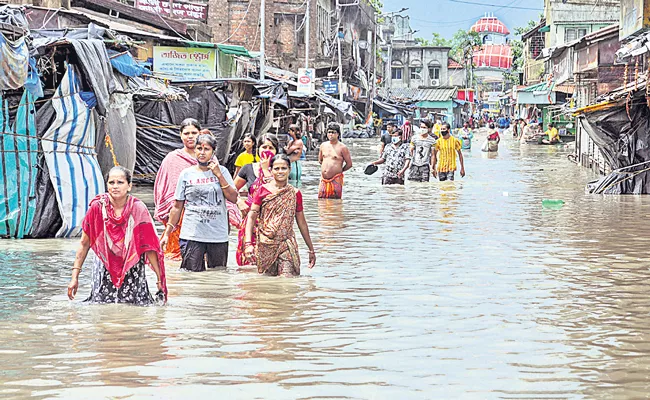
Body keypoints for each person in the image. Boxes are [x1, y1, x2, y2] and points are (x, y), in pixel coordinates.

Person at [67, 166, 167, 305]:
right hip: (104, 267)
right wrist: (74, 277)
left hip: (132, 269)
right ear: (106, 186)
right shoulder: (97, 208)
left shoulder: (138, 209)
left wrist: (159, 279)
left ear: (129, 186)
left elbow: (149, 247)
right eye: (111, 182)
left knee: (134, 310)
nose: (115, 186)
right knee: (102, 309)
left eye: (120, 182)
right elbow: (84, 244)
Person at [160, 134, 239, 272]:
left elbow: (233, 198)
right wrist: (167, 233)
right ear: (194, 150)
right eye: (199, 148)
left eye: (206, 149)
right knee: (191, 276)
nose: (202, 152)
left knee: (218, 275)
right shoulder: (186, 174)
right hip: (192, 235)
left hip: (217, 235)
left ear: (213, 152)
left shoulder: (223, 172)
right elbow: (177, 207)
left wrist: (218, 175)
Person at [243, 154, 316, 276]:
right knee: (268, 282)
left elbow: (301, 222)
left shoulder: (295, 193)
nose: (280, 172)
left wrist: (311, 249)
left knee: (286, 280)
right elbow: (251, 217)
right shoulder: (262, 191)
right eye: (276, 169)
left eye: (284, 168)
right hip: (265, 243)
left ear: (290, 169)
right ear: (271, 170)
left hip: (286, 242)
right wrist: (248, 244)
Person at [154, 118, 201, 261]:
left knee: (200, 257)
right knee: (175, 257)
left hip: (203, 217)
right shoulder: (173, 158)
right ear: (181, 135)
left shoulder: (209, 157)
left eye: (194, 132)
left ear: (200, 133)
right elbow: (163, 186)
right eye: (187, 133)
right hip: (178, 215)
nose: (190, 136)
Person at [233, 134, 278, 266]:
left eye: (271, 148)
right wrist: (239, 202)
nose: (267, 150)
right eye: (264, 147)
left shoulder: (280, 170)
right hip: (251, 222)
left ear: (276, 152)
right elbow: (231, 190)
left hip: (272, 223)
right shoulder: (248, 168)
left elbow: (276, 192)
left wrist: (266, 169)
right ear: (258, 149)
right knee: (248, 264)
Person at [318, 123, 352, 199]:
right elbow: (320, 160)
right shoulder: (323, 145)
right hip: (323, 179)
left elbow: (349, 164)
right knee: (321, 202)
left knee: (335, 202)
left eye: (333, 132)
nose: (331, 134)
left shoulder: (342, 147)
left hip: (336, 179)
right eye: (329, 132)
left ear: (338, 134)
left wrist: (339, 171)